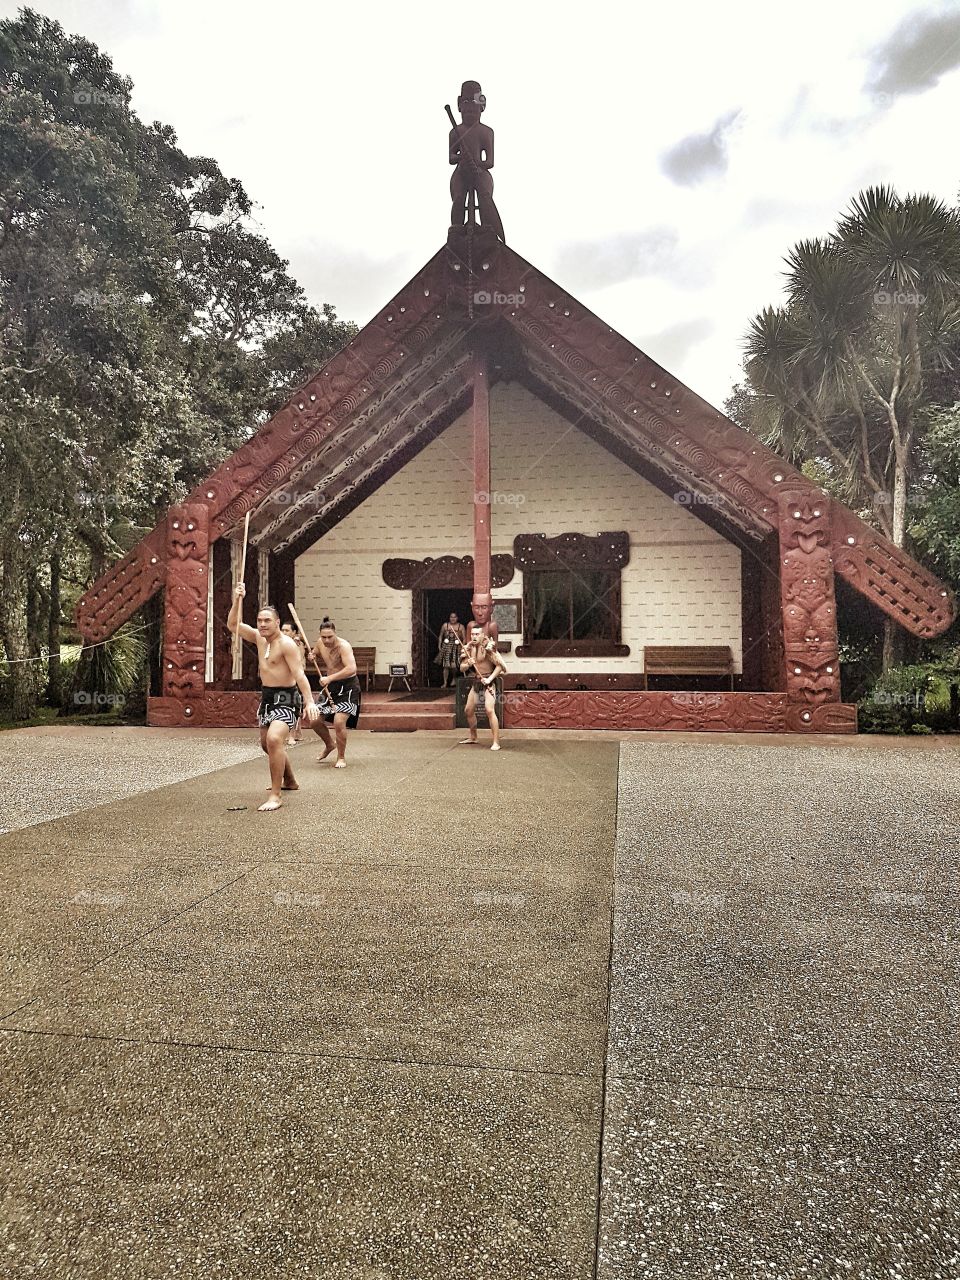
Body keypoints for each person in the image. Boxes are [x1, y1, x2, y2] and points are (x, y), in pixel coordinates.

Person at [228, 585, 319, 811]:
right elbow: (233, 625)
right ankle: (290, 780)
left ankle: (276, 796)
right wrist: (237, 600)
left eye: (267, 620)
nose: (262, 624)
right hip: (268, 697)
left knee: (274, 739)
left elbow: (299, 674)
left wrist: (309, 701)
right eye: (259, 620)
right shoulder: (259, 638)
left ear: (277, 622)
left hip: (287, 698)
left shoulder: (287, 645)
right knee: (266, 744)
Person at [310, 617, 361, 769]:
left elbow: (351, 668)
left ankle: (341, 757)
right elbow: (317, 652)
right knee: (315, 721)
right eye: (323, 637)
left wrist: (330, 677)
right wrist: (312, 655)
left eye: (329, 637)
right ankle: (329, 745)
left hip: (348, 687)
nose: (326, 640)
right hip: (330, 687)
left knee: (339, 722)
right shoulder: (320, 643)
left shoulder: (343, 646)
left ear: (335, 633)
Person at [458, 622, 507, 751]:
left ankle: (496, 742)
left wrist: (489, 679)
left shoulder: (488, 647)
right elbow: (461, 667)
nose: (474, 636)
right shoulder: (468, 648)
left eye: (477, 634)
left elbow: (500, 665)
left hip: (489, 681)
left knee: (489, 710)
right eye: (472, 634)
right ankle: (473, 737)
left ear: (482, 635)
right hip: (477, 681)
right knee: (468, 710)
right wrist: (468, 663)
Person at [280, 623, 308, 743]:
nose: (284, 632)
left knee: (292, 705)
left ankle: (292, 735)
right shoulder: (279, 642)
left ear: (294, 632)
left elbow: (300, 664)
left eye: (287, 630)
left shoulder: (298, 645)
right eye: (283, 630)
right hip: (280, 679)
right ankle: (287, 733)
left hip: (294, 678)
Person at [437, 612, 466, 689]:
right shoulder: (445, 626)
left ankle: (454, 677)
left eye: (454, 617)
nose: (453, 619)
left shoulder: (461, 627)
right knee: (445, 666)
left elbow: (464, 638)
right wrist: (439, 646)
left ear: (457, 618)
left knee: (454, 666)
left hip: (457, 648)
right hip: (446, 647)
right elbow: (440, 636)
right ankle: (445, 682)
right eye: (451, 617)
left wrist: (463, 648)